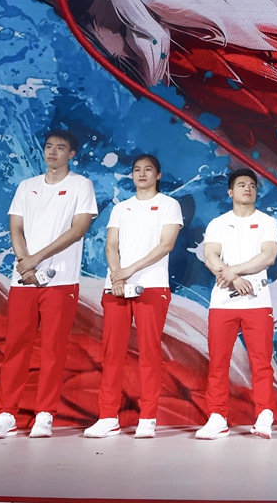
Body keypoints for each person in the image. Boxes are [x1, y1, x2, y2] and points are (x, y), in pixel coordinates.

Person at [0, 130, 98, 439]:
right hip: (24, 281)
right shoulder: (26, 186)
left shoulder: (80, 185)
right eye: (49, 147)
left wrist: (38, 258)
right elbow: (16, 227)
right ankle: (6, 414)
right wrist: (25, 262)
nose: (53, 152)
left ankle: (44, 414)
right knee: (16, 348)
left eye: (61, 148)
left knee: (52, 349)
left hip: (60, 280)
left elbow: (79, 229)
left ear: (71, 154)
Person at [85, 155, 183, 439]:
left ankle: (148, 417)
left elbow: (166, 245)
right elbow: (111, 245)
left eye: (148, 169)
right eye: (137, 170)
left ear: (158, 174)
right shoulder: (121, 209)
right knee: (112, 353)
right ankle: (107, 417)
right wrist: (117, 275)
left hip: (151, 287)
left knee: (149, 353)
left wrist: (130, 270)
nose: (142, 174)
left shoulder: (168, 205)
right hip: (116, 288)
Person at [195, 169, 277, 440]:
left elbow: (268, 256)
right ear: (230, 192)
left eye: (252, 185)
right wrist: (232, 279)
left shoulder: (268, 222)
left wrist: (235, 272)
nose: (248, 188)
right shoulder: (218, 223)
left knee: (261, 363)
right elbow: (210, 256)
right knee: (218, 362)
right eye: (241, 185)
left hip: (258, 302)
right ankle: (217, 416)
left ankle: (265, 414)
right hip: (222, 303)